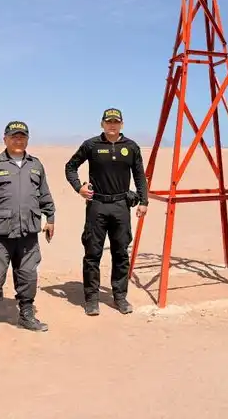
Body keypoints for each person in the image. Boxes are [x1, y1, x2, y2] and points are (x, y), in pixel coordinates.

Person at [0, 120, 56, 344]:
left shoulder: (36, 165)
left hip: (28, 233)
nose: (18, 140)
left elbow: (44, 195)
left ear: (27, 139)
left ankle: (26, 315)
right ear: (5, 139)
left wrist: (51, 218)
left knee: (28, 276)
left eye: (22, 136)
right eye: (14, 136)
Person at [64, 108, 148, 316]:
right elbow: (70, 167)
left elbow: (139, 175)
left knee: (121, 253)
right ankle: (91, 299)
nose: (112, 125)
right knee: (93, 253)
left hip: (121, 206)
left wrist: (143, 201)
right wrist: (79, 188)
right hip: (97, 206)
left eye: (116, 122)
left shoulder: (131, 147)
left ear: (122, 124)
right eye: (108, 121)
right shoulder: (91, 145)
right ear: (102, 124)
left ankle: (119, 297)